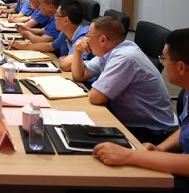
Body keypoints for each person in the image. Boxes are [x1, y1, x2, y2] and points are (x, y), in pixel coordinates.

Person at [93, 28, 189, 193]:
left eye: (164, 58)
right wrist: (160, 149)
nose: (162, 63)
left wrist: (128, 155)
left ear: (181, 67)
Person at [71, 16, 178, 144]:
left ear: (102, 40)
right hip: (135, 123)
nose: (86, 40)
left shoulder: (124, 57)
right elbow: (79, 75)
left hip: (153, 133)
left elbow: (96, 97)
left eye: (88, 35)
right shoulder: (112, 51)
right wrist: (77, 51)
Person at [12, 0, 92, 69]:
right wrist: (22, 46)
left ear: (66, 20)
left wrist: (61, 58)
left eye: (57, 15)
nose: (55, 18)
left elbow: (66, 65)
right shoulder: (65, 33)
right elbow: (49, 46)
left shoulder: (83, 37)